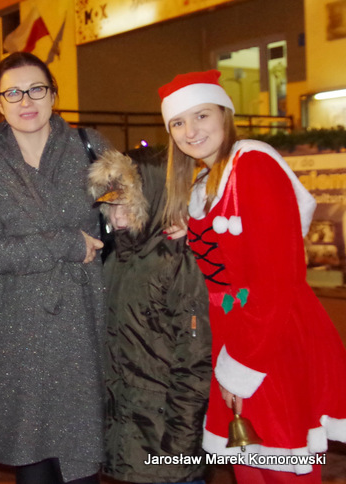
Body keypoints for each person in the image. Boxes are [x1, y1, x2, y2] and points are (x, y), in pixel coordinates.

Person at [160, 69, 346, 483]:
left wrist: (243, 366)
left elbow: (275, 279)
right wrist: (193, 234)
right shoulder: (207, 181)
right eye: (178, 122)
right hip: (236, 334)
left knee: (282, 466)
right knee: (252, 467)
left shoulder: (253, 164)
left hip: (268, 340)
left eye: (202, 115)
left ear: (225, 114)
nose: (190, 131)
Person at [0, 51, 110, 484]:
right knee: (33, 465)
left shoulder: (89, 146)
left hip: (82, 316)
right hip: (15, 325)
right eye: (13, 93)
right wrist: (67, 243)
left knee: (82, 461)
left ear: (53, 95)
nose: (26, 100)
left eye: (36, 89)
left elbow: (130, 212)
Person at [89, 147, 211, 484]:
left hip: (167, 438)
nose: (118, 215)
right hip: (129, 437)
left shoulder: (177, 260)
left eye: (128, 203)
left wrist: (181, 443)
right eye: (112, 204)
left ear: (152, 199)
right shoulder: (116, 262)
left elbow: (195, 360)